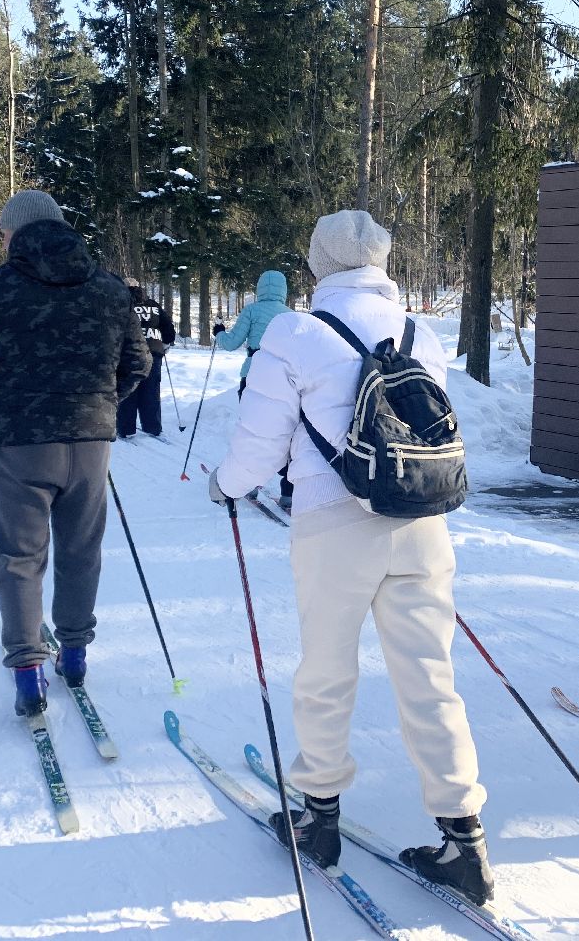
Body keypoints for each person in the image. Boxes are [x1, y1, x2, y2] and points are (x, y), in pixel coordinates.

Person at [207, 210, 495, 906]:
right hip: (420, 521)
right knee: (431, 678)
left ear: (319, 264)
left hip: (334, 526)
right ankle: (464, 840)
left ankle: (319, 819)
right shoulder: (419, 333)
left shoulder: (295, 334)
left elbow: (259, 444)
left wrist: (226, 485)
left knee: (327, 673)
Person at [0, 190, 150, 716]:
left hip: (20, 442)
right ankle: (75, 653)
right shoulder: (109, 287)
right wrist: (100, 402)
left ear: (15, 232)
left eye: (2, 233)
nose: (1, 241)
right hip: (89, 443)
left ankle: (28, 674)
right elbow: (137, 363)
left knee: (19, 556)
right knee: (81, 548)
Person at [214, 269, 294, 507]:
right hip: (284, 380)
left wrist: (219, 333)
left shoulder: (251, 311)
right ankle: (289, 491)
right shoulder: (290, 315)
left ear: (260, 288)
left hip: (254, 376)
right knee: (287, 433)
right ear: (283, 289)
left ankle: (250, 484)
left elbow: (231, 343)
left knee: (254, 432)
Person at [117, 278, 176, 439]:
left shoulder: (121, 303)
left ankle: (125, 428)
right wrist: (166, 342)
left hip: (128, 352)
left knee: (129, 389)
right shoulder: (153, 305)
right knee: (151, 390)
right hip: (154, 352)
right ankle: (153, 427)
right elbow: (168, 328)